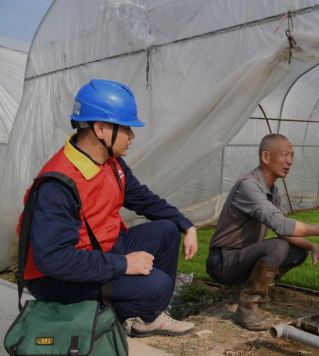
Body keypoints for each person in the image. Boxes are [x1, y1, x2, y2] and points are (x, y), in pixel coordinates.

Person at [18, 79, 199, 338]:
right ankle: (124, 311)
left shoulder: (111, 163)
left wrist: (187, 225)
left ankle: (147, 316)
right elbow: (54, 260)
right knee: (158, 285)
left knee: (167, 230)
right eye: (126, 127)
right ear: (101, 128)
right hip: (58, 279)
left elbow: (144, 199)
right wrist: (122, 264)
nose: (133, 136)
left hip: (100, 249)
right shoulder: (58, 183)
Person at [207, 133, 319, 331]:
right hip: (223, 261)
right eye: (285, 155)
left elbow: (283, 232)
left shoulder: (272, 191)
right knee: (278, 247)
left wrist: (313, 246)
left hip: (242, 258)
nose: (289, 161)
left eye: (292, 156)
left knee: (298, 252)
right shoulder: (249, 186)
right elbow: (279, 224)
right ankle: (247, 305)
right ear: (266, 157)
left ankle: (255, 286)